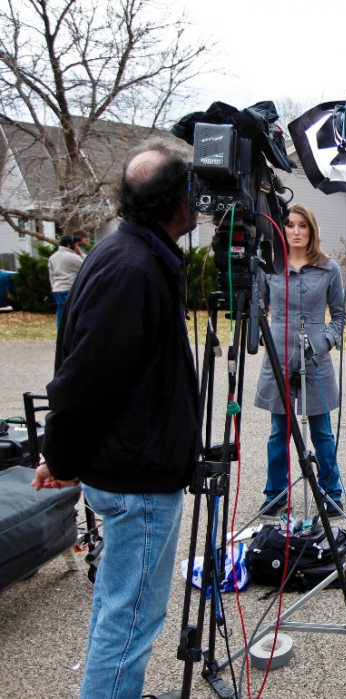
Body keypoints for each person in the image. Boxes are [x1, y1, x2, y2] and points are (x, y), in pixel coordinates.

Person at [34, 138, 199, 699]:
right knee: (128, 621)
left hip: (127, 469)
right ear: (177, 201)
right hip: (137, 482)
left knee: (116, 606)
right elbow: (84, 380)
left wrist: (63, 456)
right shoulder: (131, 267)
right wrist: (60, 458)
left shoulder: (126, 252)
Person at [253, 203, 346, 519]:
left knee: (321, 431)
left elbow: (339, 316)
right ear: (282, 230)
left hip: (315, 358)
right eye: (290, 225)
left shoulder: (328, 268)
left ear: (312, 230)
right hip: (278, 359)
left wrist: (326, 341)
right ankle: (275, 496)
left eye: (302, 225)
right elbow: (258, 312)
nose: (296, 231)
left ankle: (331, 495)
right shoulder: (271, 267)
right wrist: (268, 339)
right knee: (279, 431)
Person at [47, 234, 83, 328]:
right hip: (69, 288)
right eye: (76, 245)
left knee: (61, 314)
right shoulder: (73, 257)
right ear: (69, 245)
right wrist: (81, 253)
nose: (77, 247)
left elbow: (52, 275)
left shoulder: (53, 257)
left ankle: (61, 337)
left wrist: (53, 287)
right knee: (73, 315)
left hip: (57, 289)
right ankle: (69, 337)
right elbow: (87, 265)